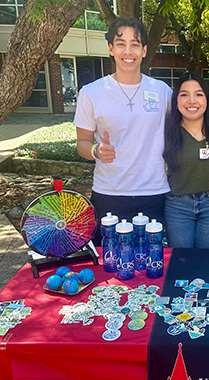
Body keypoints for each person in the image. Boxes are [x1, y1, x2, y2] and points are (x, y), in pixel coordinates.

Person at [74, 17, 172, 244]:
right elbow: (82, 143)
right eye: (121, 43)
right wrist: (96, 151)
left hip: (153, 192)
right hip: (109, 193)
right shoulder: (91, 92)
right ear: (111, 49)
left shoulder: (162, 91)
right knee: (109, 265)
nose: (128, 51)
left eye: (135, 44)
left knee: (152, 262)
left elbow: (189, 118)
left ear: (144, 50)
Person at [163, 72, 209, 248]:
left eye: (199, 94)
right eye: (184, 94)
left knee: (208, 262)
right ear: (176, 101)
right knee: (181, 261)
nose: (191, 101)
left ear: (207, 100)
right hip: (177, 206)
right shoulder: (166, 130)